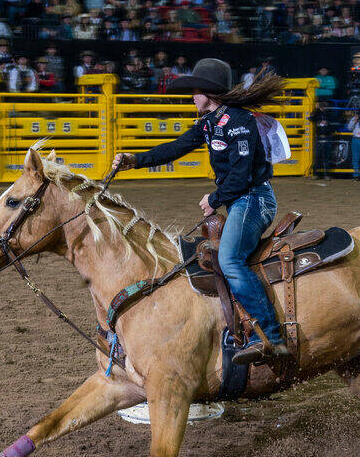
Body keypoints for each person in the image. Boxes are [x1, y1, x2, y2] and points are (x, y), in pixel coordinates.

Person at [111, 58, 291, 365]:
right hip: (239, 200)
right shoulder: (209, 123)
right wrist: (134, 160)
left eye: (196, 90)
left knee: (229, 259)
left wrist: (215, 198)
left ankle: (274, 338)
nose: (192, 96)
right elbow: (175, 147)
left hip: (253, 199)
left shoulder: (240, 122)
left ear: (210, 92)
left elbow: (243, 173)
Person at [310, 101, 334, 179]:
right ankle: (316, 174)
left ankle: (326, 174)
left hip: (326, 137)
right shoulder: (317, 114)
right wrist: (316, 110)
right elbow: (311, 118)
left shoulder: (329, 114)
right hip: (320, 137)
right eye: (323, 107)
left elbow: (333, 119)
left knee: (326, 157)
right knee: (317, 157)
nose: (324, 108)